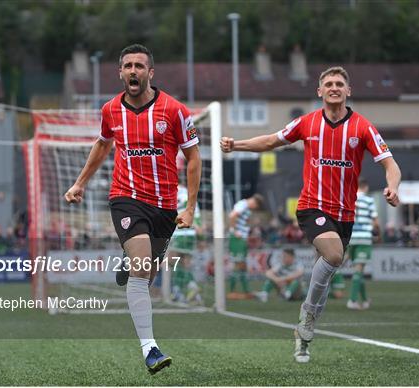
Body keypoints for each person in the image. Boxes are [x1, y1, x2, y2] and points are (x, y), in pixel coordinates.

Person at [220, 66, 401, 363]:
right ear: (319, 91)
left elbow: (391, 164)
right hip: (312, 207)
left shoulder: (362, 127)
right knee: (333, 256)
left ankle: (305, 333)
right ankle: (306, 316)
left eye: (339, 83)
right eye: (328, 83)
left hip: (345, 214)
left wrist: (392, 187)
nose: (334, 87)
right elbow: (270, 141)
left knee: (326, 273)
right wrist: (235, 145)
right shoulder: (307, 123)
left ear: (348, 91)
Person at [64, 44, 201, 375]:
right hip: (125, 197)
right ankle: (150, 349)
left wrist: (190, 207)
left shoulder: (175, 111)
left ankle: (131, 262)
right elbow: (102, 144)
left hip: (165, 207)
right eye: (128, 66)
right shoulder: (111, 110)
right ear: (120, 72)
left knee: (145, 274)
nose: (134, 70)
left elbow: (194, 158)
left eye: (140, 65)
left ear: (150, 73)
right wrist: (80, 182)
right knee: (142, 270)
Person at [346, 178, 378, 310]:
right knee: (359, 270)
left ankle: (364, 300)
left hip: (351, 238)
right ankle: (352, 301)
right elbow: (375, 221)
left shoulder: (349, 198)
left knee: (358, 270)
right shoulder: (369, 200)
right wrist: (378, 233)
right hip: (364, 237)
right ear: (365, 187)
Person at [227, 194, 263, 298]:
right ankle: (232, 290)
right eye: (255, 207)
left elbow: (240, 220)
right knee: (238, 263)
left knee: (242, 264)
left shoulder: (245, 207)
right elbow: (232, 215)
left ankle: (246, 290)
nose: (254, 209)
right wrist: (235, 231)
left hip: (241, 238)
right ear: (254, 202)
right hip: (237, 239)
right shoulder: (242, 204)